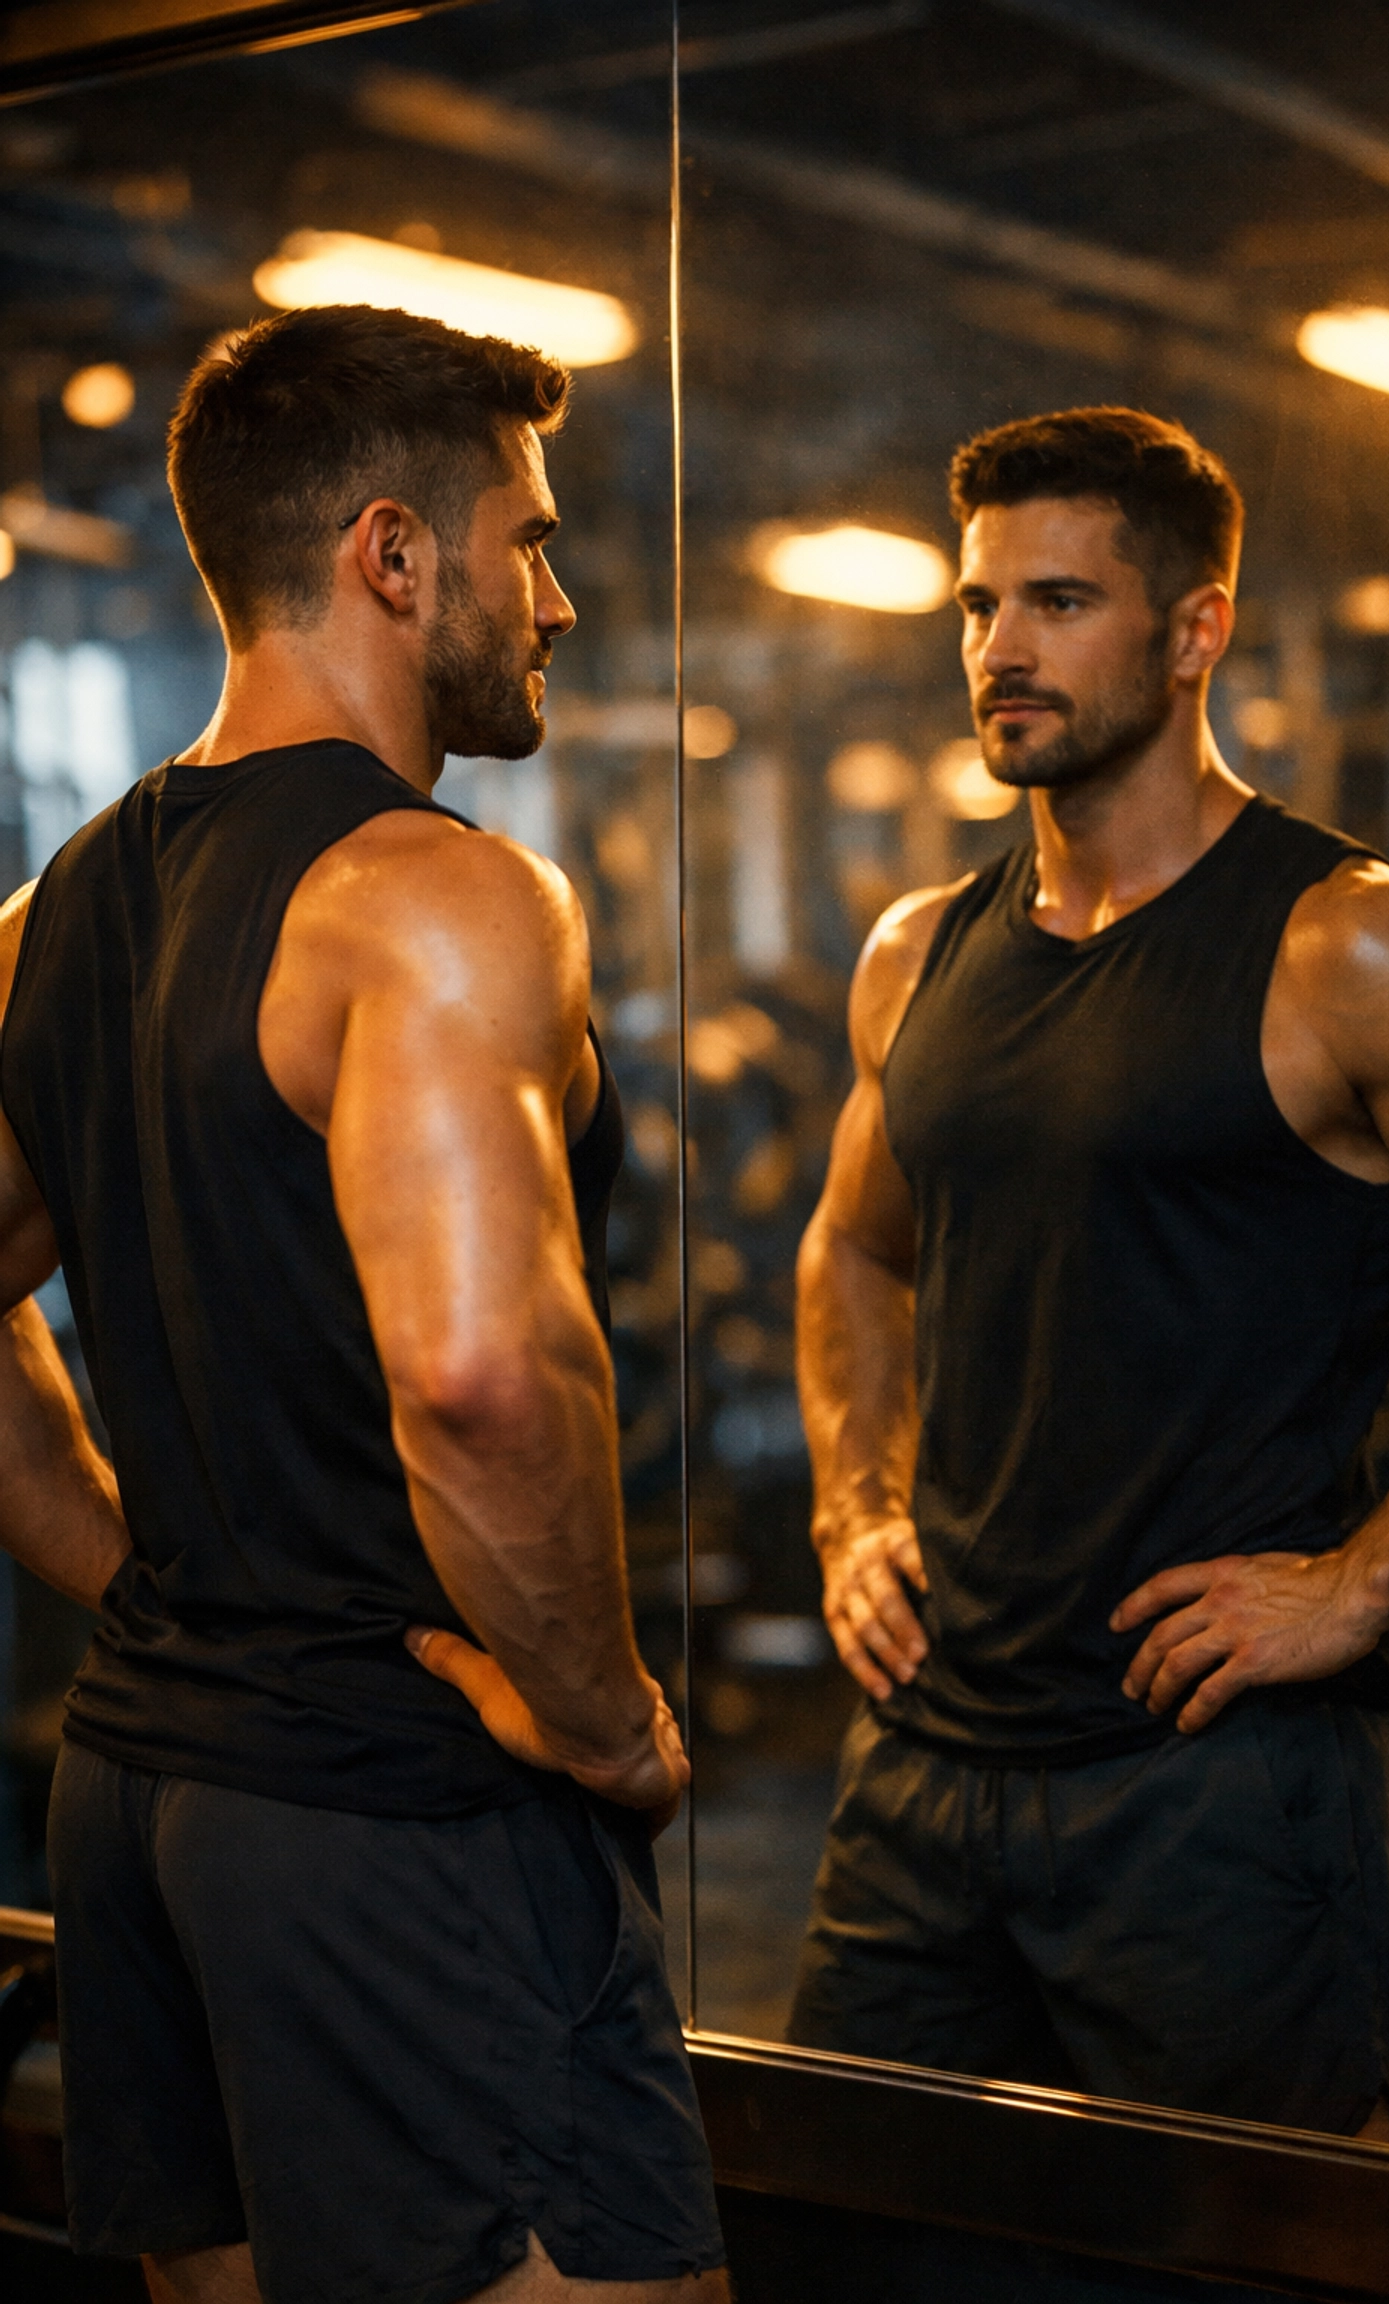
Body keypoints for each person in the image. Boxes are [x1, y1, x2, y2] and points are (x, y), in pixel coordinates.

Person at [0, 306, 726, 2303]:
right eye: (532, 541)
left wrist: (139, 1566)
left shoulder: (49, 914)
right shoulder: (436, 895)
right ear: (396, 556)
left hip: (142, 1795)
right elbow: (484, 1378)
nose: (559, 597)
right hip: (392, 1809)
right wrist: (608, 1726)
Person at [786, 405, 1389, 2143]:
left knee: (1261, 2267)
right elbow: (855, 1247)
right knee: (854, 2231)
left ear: (1195, 631)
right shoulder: (923, 954)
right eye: (978, 609)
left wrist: (1362, 1584)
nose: (1000, 652)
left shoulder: (1362, 949)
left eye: (1056, 601)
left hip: (1226, 1783)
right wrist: (852, 1508)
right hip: (929, 1770)